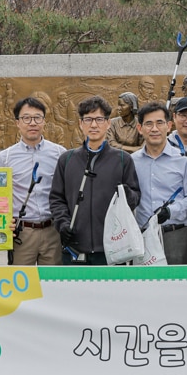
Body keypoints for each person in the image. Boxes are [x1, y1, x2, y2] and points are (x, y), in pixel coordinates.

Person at [49, 96, 141, 265]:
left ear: (108, 123)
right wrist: (63, 224)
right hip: (75, 248)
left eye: (99, 119)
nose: (93, 125)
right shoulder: (67, 160)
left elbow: (135, 198)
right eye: (88, 119)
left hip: (112, 248)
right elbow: (56, 198)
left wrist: (126, 193)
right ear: (80, 123)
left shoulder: (122, 159)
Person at [0, 96, 65, 266]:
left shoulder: (60, 154)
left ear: (44, 121)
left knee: (53, 284)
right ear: (17, 122)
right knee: (22, 286)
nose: (32, 123)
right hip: (22, 233)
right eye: (26, 118)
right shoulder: (5, 158)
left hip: (52, 231)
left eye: (37, 117)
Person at [132, 102, 187, 265]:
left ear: (168, 126)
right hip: (143, 235)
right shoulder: (132, 161)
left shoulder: (185, 160)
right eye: (149, 124)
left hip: (176, 236)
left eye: (159, 123)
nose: (154, 129)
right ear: (140, 128)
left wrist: (171, 211)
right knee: (144, 286)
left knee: (178, 287)